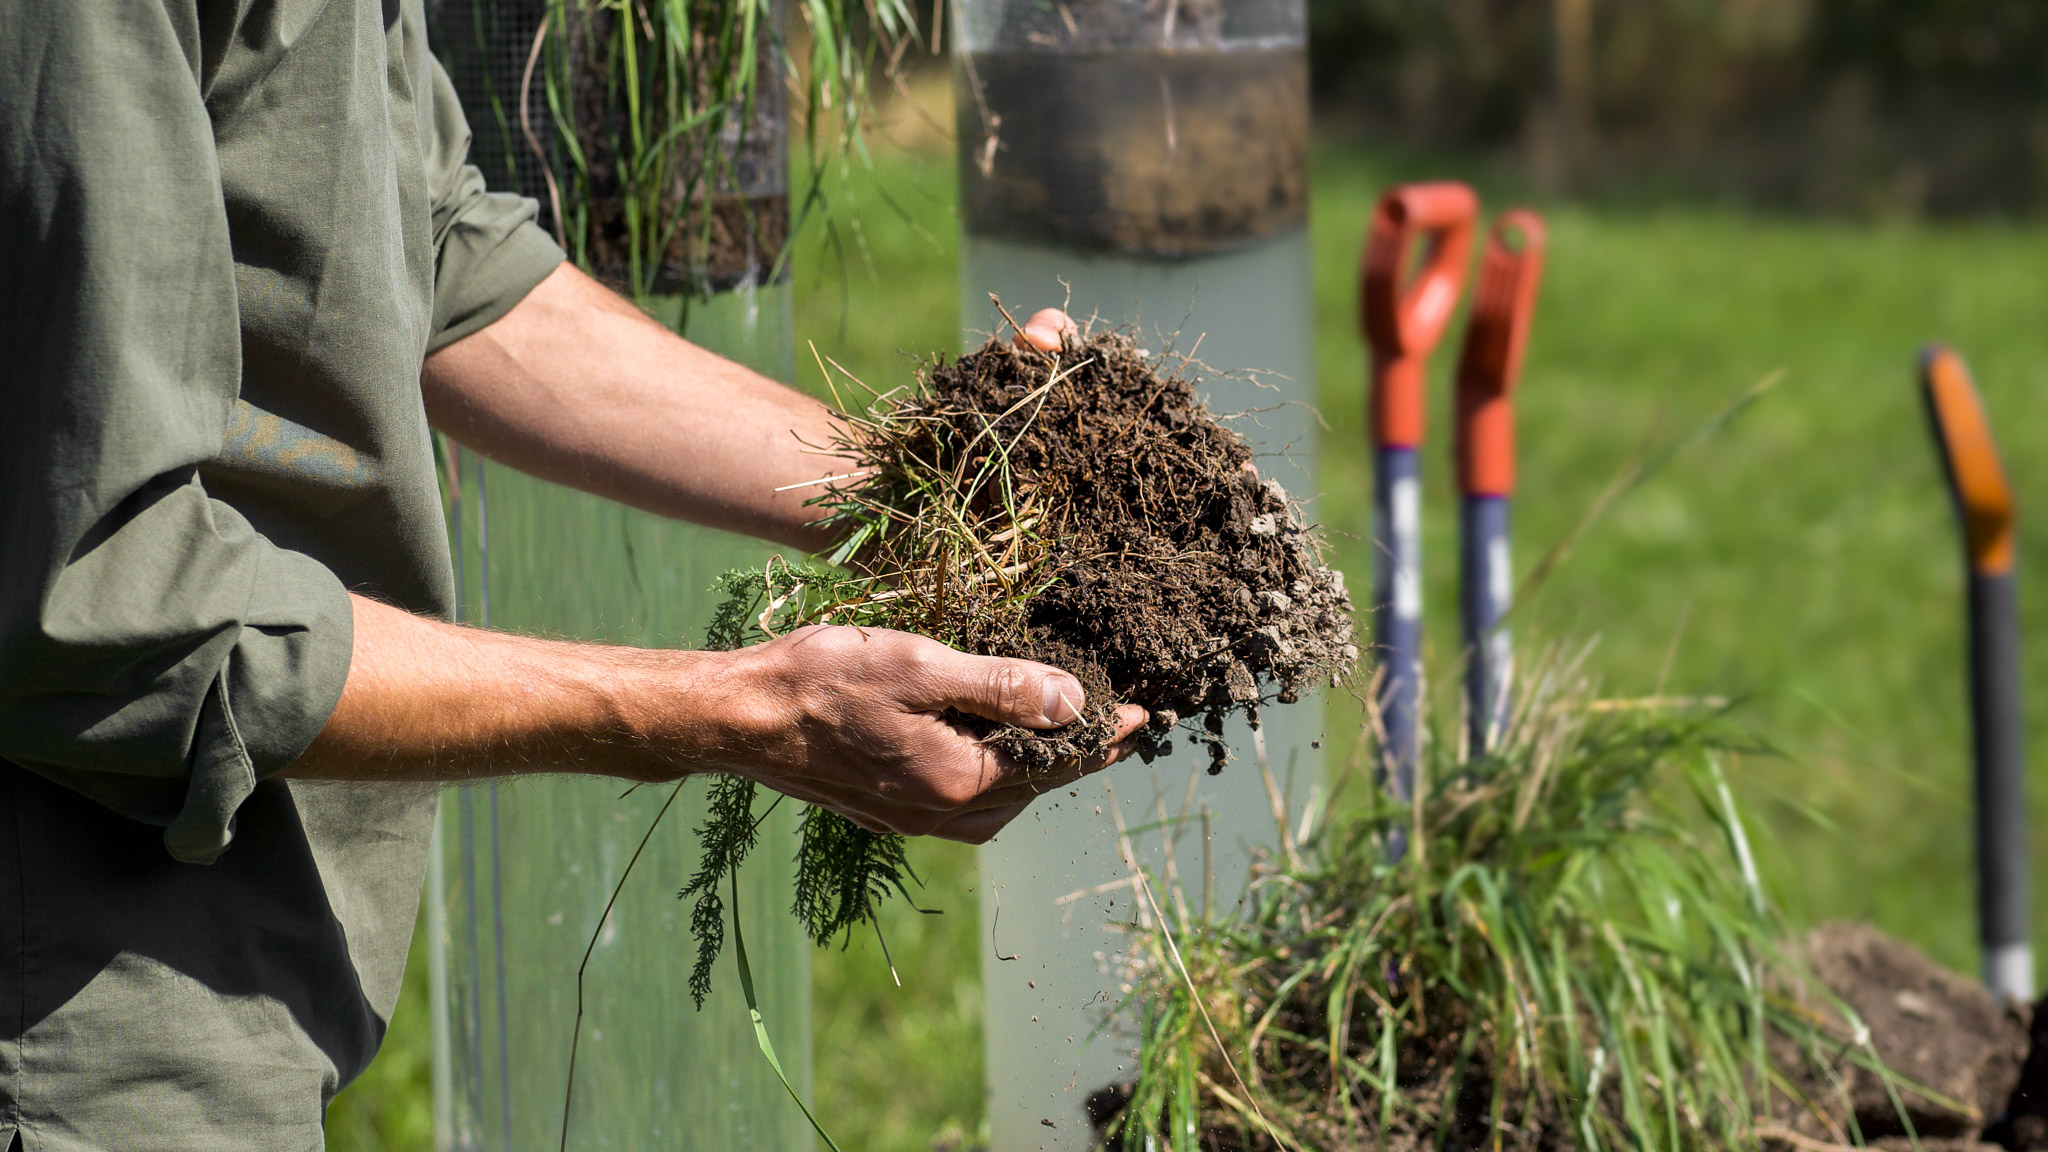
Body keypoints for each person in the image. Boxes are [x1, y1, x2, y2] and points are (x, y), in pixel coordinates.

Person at [0, 1, 1143, 1148]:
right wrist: (730, 711)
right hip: (71, 998)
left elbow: (420, 240)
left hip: (246, 947)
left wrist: (914, 493)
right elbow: (111, 590)